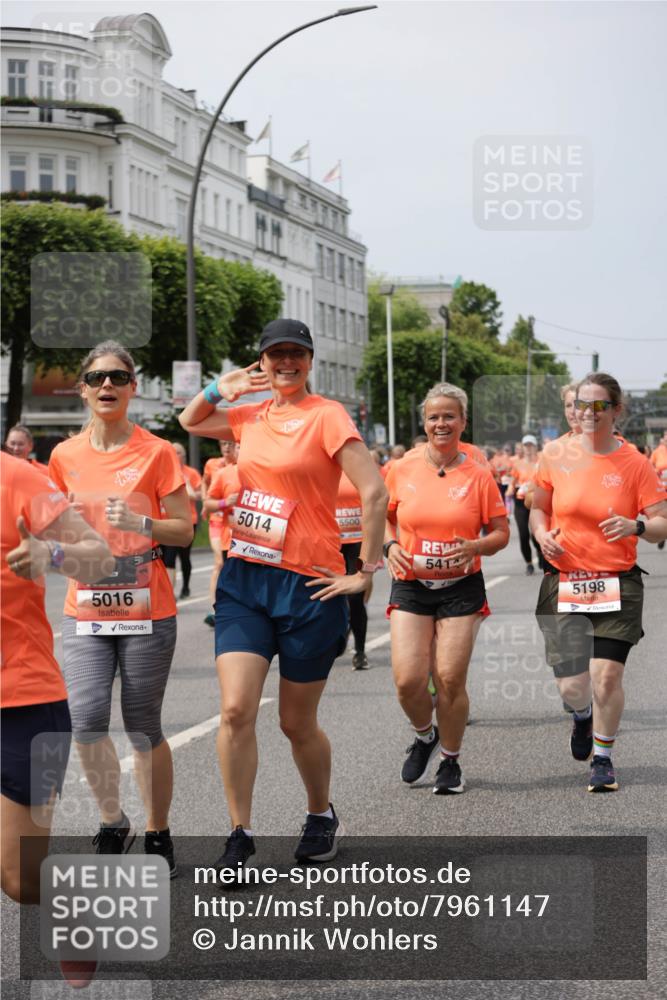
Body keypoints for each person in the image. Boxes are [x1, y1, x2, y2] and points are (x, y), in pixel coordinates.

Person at [179, 318, 387, 868]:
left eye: (296, 354)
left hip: (310, 585)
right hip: (247, 579)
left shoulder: (327, 416)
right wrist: (216, 387)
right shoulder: (248, 417)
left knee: (295, 723)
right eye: (276, 355)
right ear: (263, 361)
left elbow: (374, 491)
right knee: (234, 709)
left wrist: (364, 571)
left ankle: (320, 813)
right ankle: (239, 834)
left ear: (310, 361)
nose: (285, 363)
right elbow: (189, 419)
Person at [48, 341, 193, 875]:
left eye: (117, 377)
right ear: (83, 389)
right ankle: (113, 820)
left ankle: (158, 831)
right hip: (84, 605)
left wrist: (143, 525)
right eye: (96, 378)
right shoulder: (64, 456)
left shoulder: (156, 452)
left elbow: (185, 527)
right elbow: (52, 524)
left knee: (141, 724)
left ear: (133, 387)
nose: (106, 385)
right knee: (84, 720)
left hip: (145, 607)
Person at [530, 373, 667, 792]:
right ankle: (581, 716)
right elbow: (538, 510)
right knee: (573, 685)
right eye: (582, 405)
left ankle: (603, 758)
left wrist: (637, 524)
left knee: (606, 676)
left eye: (599, 405)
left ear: (616, 410)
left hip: (617, 583)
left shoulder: (635, 463)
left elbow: (662, 524)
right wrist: (541, 535)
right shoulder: (554, 455)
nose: (589, 413)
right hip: (566, 580)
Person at [384, 382, 509, 795]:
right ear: (424, 422)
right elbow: (381, 517)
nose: (441, 423)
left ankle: (451, 761)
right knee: (407, 681)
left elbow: (501, 531)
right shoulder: (401, 468)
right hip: (412, 584)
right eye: (434, 417)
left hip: (461, 587)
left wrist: (476, 545)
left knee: (450, 677)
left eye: (449, 416)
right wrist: (389, 545)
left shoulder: (477, 474)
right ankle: (425, 735)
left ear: (462, 422)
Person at [336, 470, 371, 670]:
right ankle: (334, 638)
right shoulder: (321, 466)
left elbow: (375, 502)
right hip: (330, 541)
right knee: (326, 595)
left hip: (358, 541)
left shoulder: (360, 468)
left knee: (355, 598)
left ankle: (359, 651)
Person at [162, 442, 201, 599]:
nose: (175, 455)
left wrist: (186, 484)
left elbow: (198, 495)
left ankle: (184, 587)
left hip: (187, 520)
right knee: (166, 559)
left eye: (178, 452)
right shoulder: (164, 472)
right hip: (164, 522)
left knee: (183, 557)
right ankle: (168, 594)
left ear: (183, 456)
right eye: (172, 452)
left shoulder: (190, 473)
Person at [201, 442, 234, 626]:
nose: (226, 448)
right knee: (219, 561)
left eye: (230, 444)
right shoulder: (213, 464)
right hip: (217, 519)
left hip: (234, 522)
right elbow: (204, 484)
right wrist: (209, 502)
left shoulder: (242, 467)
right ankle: (214, 608)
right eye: (223, 444)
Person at [202, 443, 241, 584]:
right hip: (229, 536)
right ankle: (215, 604)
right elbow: (208, 502)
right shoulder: (222, 473)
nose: (242, 450)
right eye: (239, 446)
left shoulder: (264, 471)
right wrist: (225, 502)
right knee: (223, 569)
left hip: (259, 539)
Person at [507, 434, 543, 574]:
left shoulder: (541, 462)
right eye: (526, 445)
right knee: (523, 534)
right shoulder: (517, 464)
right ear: (522, 447)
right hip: (521, 501)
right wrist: (510, 490)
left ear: (535, 447)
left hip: (536, 501)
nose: (528, 448)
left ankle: (540, 552)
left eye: (531, 445)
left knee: (536, 534)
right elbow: (513, 481)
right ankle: (528, 563)